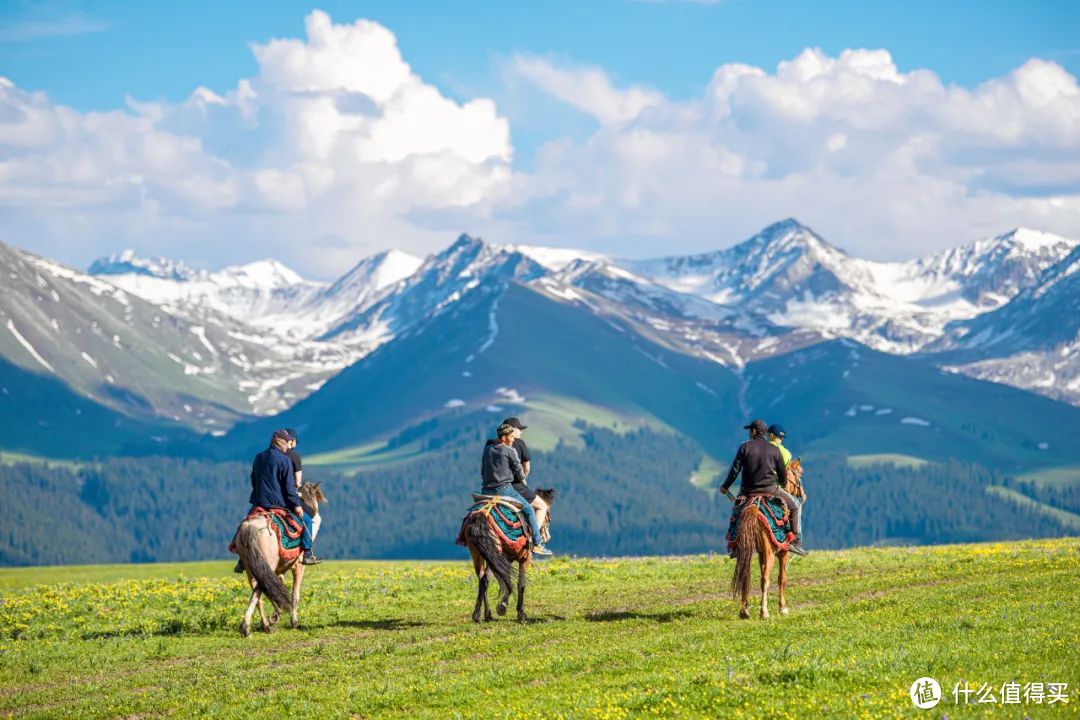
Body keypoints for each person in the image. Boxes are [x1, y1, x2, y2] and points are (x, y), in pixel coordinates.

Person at [720, 419, 807, 556]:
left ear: (754, 432)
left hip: (748, 491)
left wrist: (725, 486)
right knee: (795, 506)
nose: (749, 433)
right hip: (770, 489)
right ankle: (795, 542)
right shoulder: (774, 449)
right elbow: (782, 474)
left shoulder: (744, 447)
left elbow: (734, 470)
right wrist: (783, 485)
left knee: (737, 512)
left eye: (750, 430)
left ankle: (735, 546)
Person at [246, 429, 321, 566]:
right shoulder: (285, 460)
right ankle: (307, 554)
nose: (288, 445)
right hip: (278, 504)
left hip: (259, 502)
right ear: (281, 442)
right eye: (287, 442)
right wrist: (297, 506)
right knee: (308, 521)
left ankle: (241, 558)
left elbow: (253, 479)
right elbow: (289, 487)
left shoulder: (259, 457)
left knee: (246, 525)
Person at [481, 423, 552, 556]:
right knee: (530, 510)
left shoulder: (488, 449)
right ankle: (537, 543)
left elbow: (483, 470)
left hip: (485, 491)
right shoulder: (510, 451)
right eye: (512, 437)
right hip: (504, 490)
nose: (514, 440)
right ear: (504, 438)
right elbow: (520, 474)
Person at [501, 416, 552, 538]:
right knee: (542, 507)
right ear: (512, 430)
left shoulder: (494, 445)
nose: (521, 432)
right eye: (519, 429)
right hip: (515, 486)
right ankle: (535, 539)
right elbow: (527, 468)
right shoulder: (519, 443)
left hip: (494, 487)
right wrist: (523, 479)